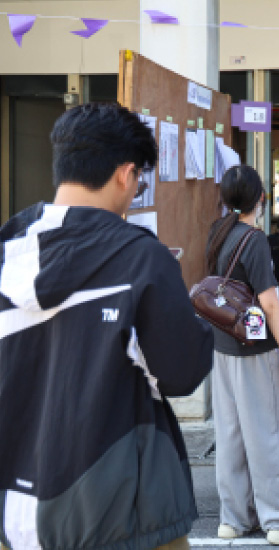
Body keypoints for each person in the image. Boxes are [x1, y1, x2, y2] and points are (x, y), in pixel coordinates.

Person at [0, 103, 214, 550]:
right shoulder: (139, 257)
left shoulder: (7, 249)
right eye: (139, 180)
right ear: (125, 174)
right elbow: (180, 373)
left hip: (15, 508)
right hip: (118, 510)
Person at [206, 165, 279, 545]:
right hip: (257, 351)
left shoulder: (217, 232)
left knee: (232, 434)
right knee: (274, 432)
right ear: (261, 198)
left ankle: (236, 518)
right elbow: (271, 306)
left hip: (223, 348)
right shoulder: (254, 240)